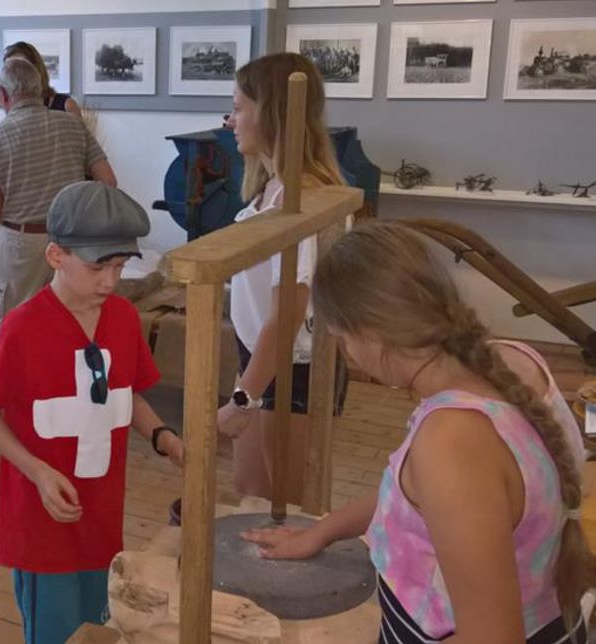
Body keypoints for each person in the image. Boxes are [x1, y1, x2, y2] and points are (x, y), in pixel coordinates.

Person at [241, 221, 592, 643]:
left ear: (369, 333)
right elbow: (429, 500)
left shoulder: (450, 440)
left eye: (339, 337)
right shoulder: (511, 363)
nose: (346, 353)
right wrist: (324, 530)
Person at [0, 181, 183, 643]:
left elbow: (128, 396)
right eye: (96, 267)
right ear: (56, 257)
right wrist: (37, 471)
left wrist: (163, 435)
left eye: (119, 265)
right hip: (43, 520)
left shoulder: (124, 319)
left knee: (99, 626)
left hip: (102, 512)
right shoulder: (22, 328)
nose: (109, 280)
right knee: (55, 633)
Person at [216, 53, 347, 500]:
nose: (232, 120)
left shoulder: (298, 197)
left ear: (269, 113)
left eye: (238, 108)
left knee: (282, 505)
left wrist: (243, 398)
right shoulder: (272, 190)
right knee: (252, 490)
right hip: (261, 357)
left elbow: (288, 311)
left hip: (290, 367)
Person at [0, 57, 116, 369]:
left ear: (4, 94)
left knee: (4, 329)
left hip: (19, 245)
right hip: (69, 244)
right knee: (62, 328)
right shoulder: (73, 124)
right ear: (40, 89)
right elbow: (108, 182)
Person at [3, 41, 82, 115]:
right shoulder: (12, 107)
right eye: (9, 67)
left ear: (36, 69)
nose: (14, 73)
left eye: (20, 67)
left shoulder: (66, 105)